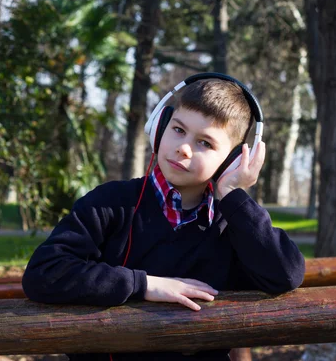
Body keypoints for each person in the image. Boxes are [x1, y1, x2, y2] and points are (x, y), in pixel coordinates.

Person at [22, 74, 306, 361]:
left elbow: (286, 275)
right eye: (178, 130)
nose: (183, 147)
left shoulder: (232, 224)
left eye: (205, 143)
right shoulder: (110, 204)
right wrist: (143, 284)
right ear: (159, 128)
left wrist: (233, 194)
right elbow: (44, 272)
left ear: (232, 160)